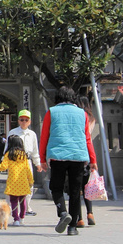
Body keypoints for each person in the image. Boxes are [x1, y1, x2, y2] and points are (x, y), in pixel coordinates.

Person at [40, 86, 97, 236]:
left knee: (56, 187)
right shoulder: (82, 114)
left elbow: (44, 137)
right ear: (73, 98)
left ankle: (63, 212)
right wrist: (93, 159)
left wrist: (42, 158)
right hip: (78, 156)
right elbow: (87, 138)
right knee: (75, 191)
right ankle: (72, 227)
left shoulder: (51, 112)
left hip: (58, 155)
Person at [5, 109, 43, 216]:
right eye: (22, 120)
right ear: (18, 120)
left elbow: (35, 151)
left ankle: (26, 207)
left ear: (30, 121)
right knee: (12, 184)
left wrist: (38, 163)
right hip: (14, 162)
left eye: (26, 120)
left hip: (27, 161)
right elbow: (7, 148)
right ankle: (9, 207)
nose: (24, 122)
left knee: (29, 185)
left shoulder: (32, 134)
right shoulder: (13, 133)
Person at [0, 135, 34, 226]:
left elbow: (3, 167)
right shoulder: (24, 155)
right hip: (23, 181)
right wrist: (31, 181)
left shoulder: (9, 154)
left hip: (13, 181)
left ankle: (16, 219)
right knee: (23, 201)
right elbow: (28, 169)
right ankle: (22, 217)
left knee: (14, 201)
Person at [77, 96, 97, 227]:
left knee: (76, 189)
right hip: (88, 154)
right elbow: (89, 138)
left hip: (77, 152)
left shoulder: (78, 116)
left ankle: (79, 218)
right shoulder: (92, 118)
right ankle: (90, 213)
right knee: (87, 187)